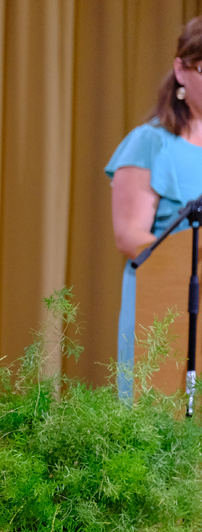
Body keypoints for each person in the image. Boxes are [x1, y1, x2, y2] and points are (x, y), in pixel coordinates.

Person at [106, 17, 202, 395]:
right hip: (164, 305)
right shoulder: (149, 143)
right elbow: (130, 237)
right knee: (162, 417)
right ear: (181, 70)